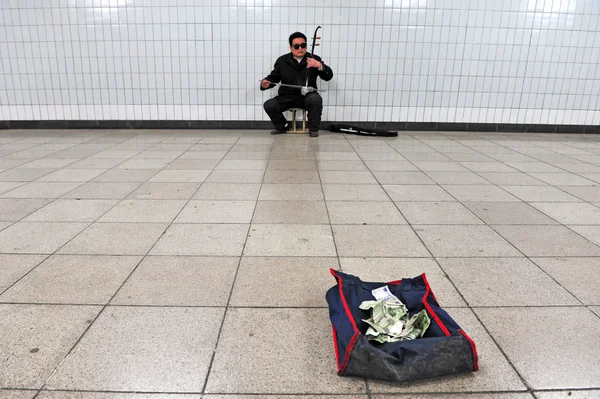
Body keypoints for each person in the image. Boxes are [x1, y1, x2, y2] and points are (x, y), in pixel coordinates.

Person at [260, 32, 334, 137]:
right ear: (290, 47)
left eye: (303, 45)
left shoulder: (313, 59)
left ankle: (313, 129)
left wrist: (319, 65)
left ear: (306, 46)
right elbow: (273, 78)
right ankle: (282, 127)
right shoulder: (282, 61)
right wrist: (265, 83)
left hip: (308, 96)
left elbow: (328, 76)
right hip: (287, 96)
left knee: (316, 99)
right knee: (269, 105)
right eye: (296, 46)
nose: (300, 48)